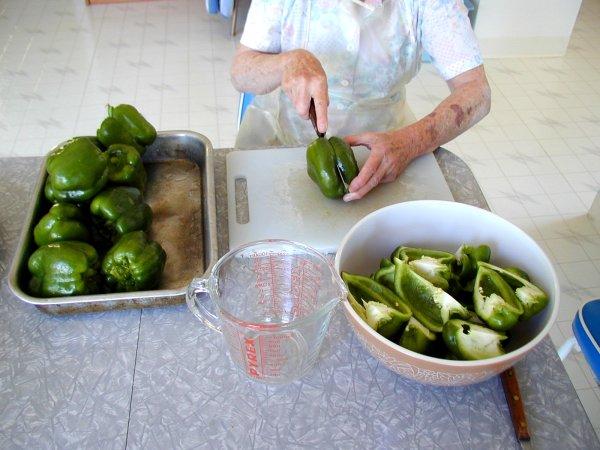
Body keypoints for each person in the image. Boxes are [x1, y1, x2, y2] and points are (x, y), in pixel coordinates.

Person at [231, 0, 491, 202]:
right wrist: (287, 62)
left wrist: (410, 142)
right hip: (285, 142)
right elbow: (241, 71)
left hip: (388, 151)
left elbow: (476, 91)